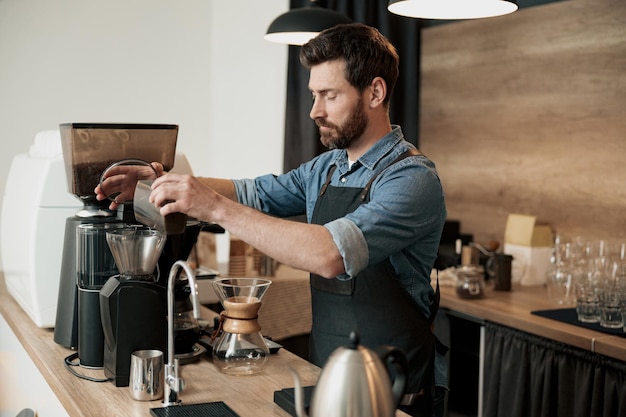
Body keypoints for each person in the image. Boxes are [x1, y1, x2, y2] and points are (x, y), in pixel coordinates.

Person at [96, 23, 447, 417]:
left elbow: (331, 253)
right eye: (314, 95)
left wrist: (211, 207)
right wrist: (165, 183)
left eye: (330, 96)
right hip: (328, 378)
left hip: (395, 393)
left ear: (375, 93)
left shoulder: (412, 179)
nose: (315, 111)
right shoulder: (328, 168)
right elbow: (253, 192)